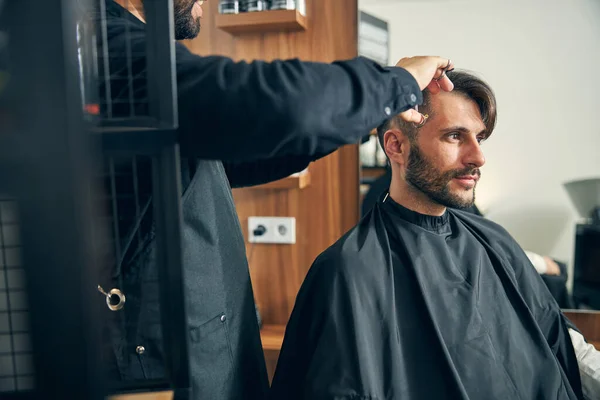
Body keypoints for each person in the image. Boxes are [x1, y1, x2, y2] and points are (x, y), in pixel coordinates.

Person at [96, 1, 456, 399]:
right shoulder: (106, 48)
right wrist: (395, 82)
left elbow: (243, 154)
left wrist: (367, 113)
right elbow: (280, 105)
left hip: (209, 353)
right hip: (164, 373)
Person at [270, 70, 596, 399]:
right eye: (455, 136)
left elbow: (569, 350)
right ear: (396, 146)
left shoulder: (495, 241)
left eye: (478, 138)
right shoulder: (347, 270)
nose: (478, 157)